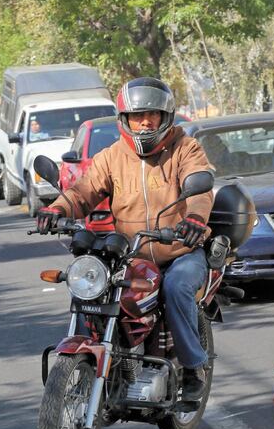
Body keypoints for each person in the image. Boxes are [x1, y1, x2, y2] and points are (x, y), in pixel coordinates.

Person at [36, 77, 213, 403]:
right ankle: (114, 357)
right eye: (137, 116)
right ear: (125, 119)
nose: (145, 122)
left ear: (166, 117)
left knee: (176, 287)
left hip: (179, 249)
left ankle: (192, 368)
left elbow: (199, 188)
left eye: (152, 115)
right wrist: (56, 209)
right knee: (98, 287)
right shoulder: (112, 156)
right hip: (133, 254)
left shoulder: (185, 148)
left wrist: (195, 220)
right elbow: (83, 191)